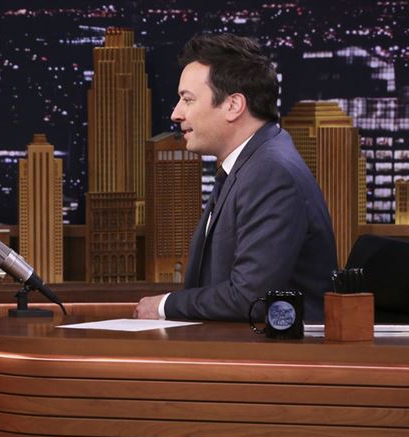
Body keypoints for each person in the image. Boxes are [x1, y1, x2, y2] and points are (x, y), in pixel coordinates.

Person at [134, 34, 337, 322]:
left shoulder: (270, 172)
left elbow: (250, 298)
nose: (176, 114)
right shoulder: (250, 164)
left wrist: (163, 306)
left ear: (233, 105)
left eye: (187, 100)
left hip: (277, 349)